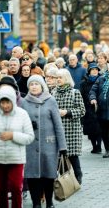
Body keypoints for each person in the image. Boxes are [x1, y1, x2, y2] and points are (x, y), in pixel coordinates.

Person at [22, 75, 67, 208]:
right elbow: (20, 122)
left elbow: (58, 124)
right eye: (31, 84)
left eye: (37, 84)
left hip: (49, 145)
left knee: (48, 175)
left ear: (42, 86)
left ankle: (49, 202)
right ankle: (36, 203)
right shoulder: (24, 102)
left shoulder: (50, 100)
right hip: (30, 145)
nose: (34, 86)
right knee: (32, 175)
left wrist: (62, 146)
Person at [53, 69, 85, 184]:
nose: (58, 80)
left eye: (60, 78)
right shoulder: (53, 93)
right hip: (57, 129)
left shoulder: (74, 92)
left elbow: (82, 111)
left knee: (72, 155)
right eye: (57, 78)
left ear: (66, 78)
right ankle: (65, 179)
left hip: (72, 129)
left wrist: (67, 112)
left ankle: (78, 175)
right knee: (60, 155)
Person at [80, 63, 102, 154]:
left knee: (100, 128)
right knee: (90, 129)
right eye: (93, 70)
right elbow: (82, 95)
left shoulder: (102, 80)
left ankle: (99, 146)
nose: (95, 71)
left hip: (99, 107)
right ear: (89, 71)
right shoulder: (84, 83)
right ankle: (94, 146)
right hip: (88, 108)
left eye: (96, 70)